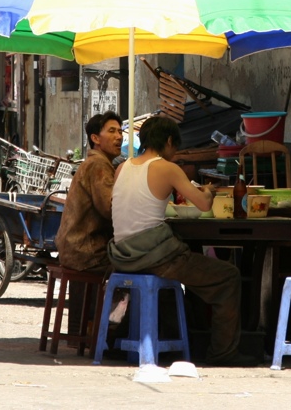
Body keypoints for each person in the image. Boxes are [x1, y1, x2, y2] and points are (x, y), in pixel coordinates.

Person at [107, 116, 254, 367]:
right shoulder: (166, 167)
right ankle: (223, 352)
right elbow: (204, 204)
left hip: (122, 255)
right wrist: (208, 190)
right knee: (228, 277)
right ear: (168, 141)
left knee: (196, 273)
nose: (175, 153)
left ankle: (189, 336)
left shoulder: (123, 166)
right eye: (175, 147)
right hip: (154, 257)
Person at [54, 111, 123, 272]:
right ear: (95, 138)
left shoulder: (96, 162)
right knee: (141, 265)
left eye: (120, 131)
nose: (119, 136)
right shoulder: (98, 164)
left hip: (75, 248)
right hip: (87, 252)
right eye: (112, 131)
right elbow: (110, 209)